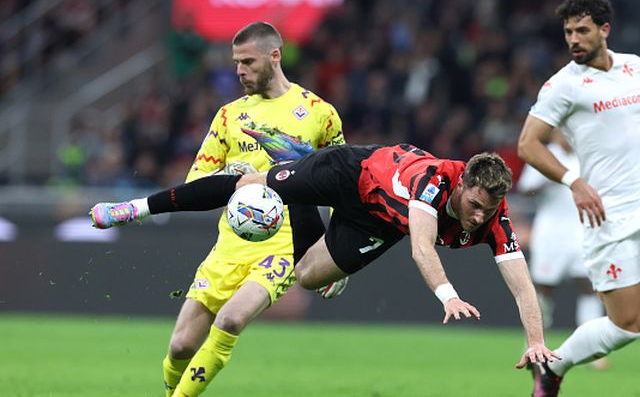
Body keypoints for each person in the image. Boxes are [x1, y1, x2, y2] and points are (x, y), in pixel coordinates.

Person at [91, 143, 561, 369]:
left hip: (375, 222)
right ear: (462, 184)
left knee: (309, 276)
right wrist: (447, 296)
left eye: (489, 209)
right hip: (348, 173)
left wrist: (534, 340)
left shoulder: (495, 218)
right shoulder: (435, 180)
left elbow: (519, 278)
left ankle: (291, 184)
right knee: (249, 187)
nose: (478, 218)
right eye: (474, 205)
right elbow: (421, 245)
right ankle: (136, 207)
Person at [92, 22, 346, 397]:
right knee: (180, 347)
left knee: (230, 320)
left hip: (283, 245)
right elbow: (198, 182)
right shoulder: (228, 116)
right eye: (236, 63)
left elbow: (342, 186)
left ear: (274, 56)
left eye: (247, 61)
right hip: (230, 244)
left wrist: (335, 257)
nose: (239, 71)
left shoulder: (319, 113)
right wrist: (233, 175)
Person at [517, 0, 640, 395]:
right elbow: (527, 145)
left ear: (605, 30)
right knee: (626, 328)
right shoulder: (563, 86)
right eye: (569, 31)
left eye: (582, 30)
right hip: (608, 217)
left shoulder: (632, 65)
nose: (574, 38)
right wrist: (575, 181)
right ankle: (554, 367)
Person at [518, 130, 609, 370]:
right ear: (556, 133)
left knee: (590, 288)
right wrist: (547, 179)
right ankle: (534, 345)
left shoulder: (586, 156)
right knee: (544, 290)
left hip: (582, 234)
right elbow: (525, 188)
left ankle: (594, 351)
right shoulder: (545, 155)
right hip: (551, 236)